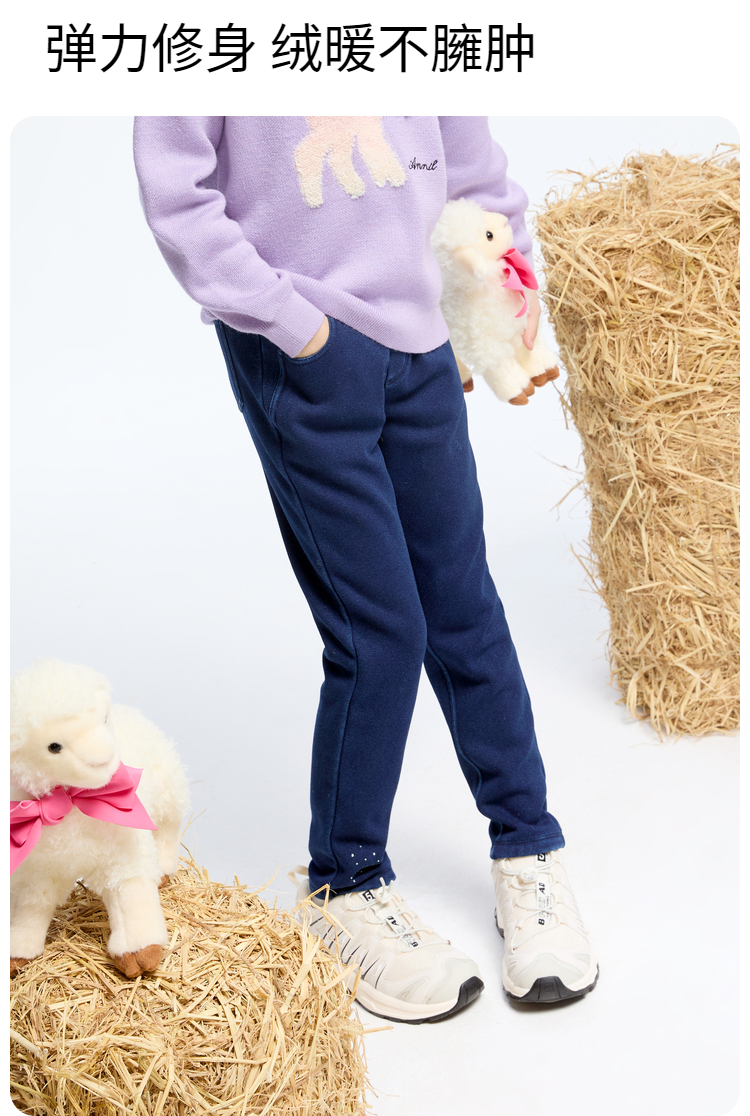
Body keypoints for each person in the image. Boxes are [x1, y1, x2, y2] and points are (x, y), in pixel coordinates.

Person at [133, 115, 598, 1023]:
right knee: (379, 631)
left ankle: (527, 848)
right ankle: (344, 882)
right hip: (301, 345)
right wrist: (295, 324)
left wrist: (500, 284)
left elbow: (468, 158)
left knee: (464, 606)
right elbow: (179, 195)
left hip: (421, 336)